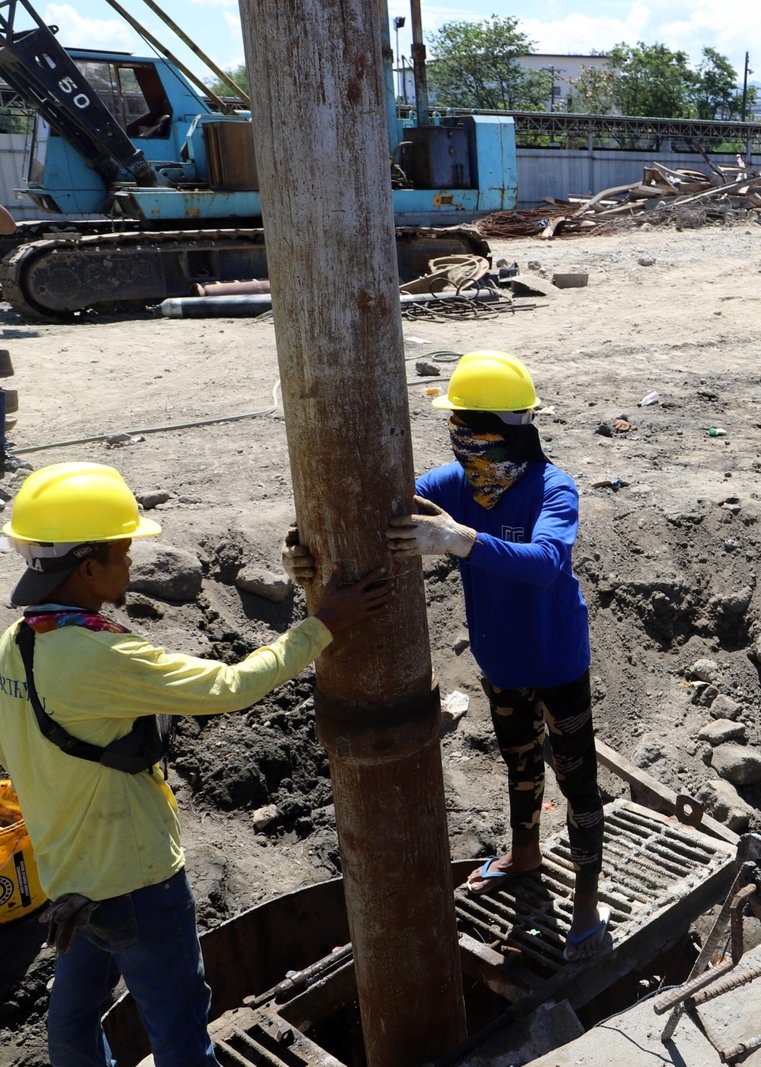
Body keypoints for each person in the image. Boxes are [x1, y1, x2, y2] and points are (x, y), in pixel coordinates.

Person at [0, 461, 392, 1067]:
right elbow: (232, 686)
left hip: (68, 880)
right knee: (182, 1033)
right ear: (87, 566)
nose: (132, 563)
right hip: (137, 883)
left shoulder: (15, 643)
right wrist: (323, 625)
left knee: (74, 1023)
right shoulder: (99, 657)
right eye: (123, 551)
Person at [390, 351, 610, 962]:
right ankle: (525, 853)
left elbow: (544, 564)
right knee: (518, 765)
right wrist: (305, 544)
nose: (459, 437)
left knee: (576, 780)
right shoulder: (455, 485)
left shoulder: (551, 488)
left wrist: (460, 539)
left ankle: (588, 911)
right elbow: (380, 507)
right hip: (501, 660)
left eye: (468, 424)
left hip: (555, 660)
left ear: (501, 428)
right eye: (454, 423)